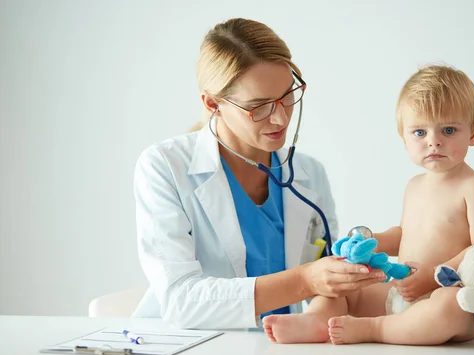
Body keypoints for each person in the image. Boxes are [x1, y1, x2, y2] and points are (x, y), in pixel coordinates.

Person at [131, 18, 386, 329]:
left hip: (279, 352)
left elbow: (328, 287)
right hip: (188, 354)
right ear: (213, 103)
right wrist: (306, 280)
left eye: (286, 96)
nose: (280, 118)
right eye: (258, 106)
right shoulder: (164, 167)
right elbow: (181, 301)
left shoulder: (310, 175)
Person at [263, 64, 474, 345]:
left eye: (448, 130)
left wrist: (432, 276)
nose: (434, 142)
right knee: (341, 284)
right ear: (403, 136)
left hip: (448, 294)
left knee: (451, 306)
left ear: (473, 134)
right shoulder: (414, 186)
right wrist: (373, 241)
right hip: (402, 292)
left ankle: (373, 329)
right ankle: (317, 320)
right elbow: (405, 235)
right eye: (419, 133)